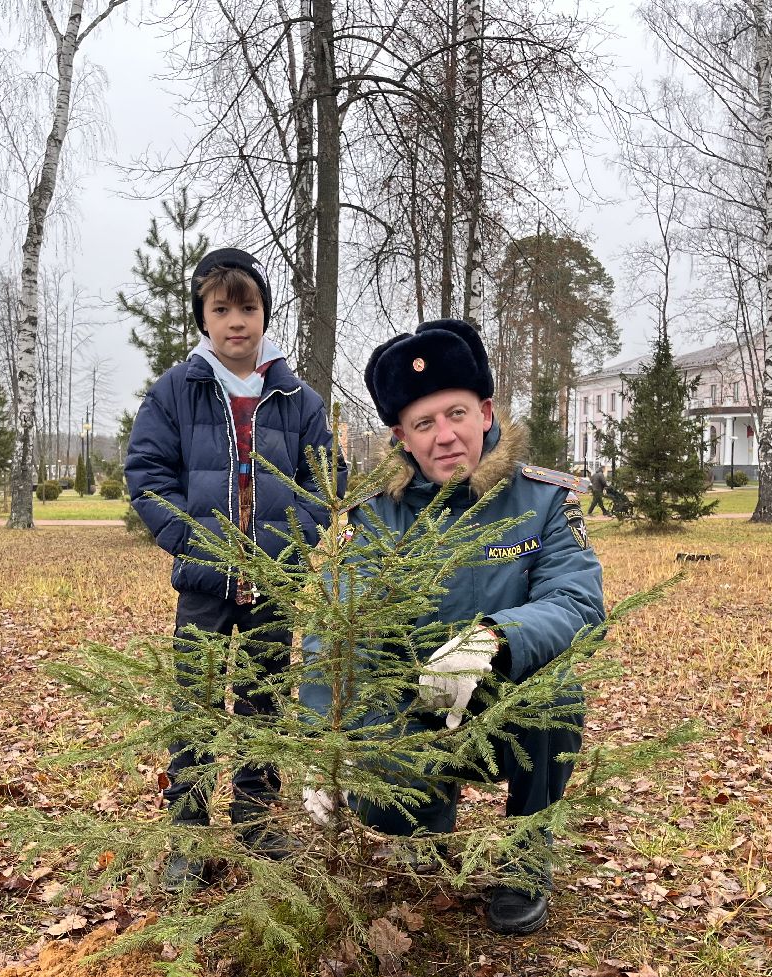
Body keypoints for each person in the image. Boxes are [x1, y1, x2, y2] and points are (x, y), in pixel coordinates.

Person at [304, 319, 606, 935]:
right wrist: (321, 742)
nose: (445, 436)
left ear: (487, 412)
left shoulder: (543, 502)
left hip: (503, 700)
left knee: (558, 698)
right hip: (413, 706)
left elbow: (577, 601)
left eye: (457, 414)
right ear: (401, 438)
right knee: (384, 807)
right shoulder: (376, 518)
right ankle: (424, 827)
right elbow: (338, 629)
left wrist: (495, 638)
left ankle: (525, 859)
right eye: (424, 424)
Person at [125, 247, 340, 891]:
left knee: (263, 700)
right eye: (221, 309)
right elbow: (147, 474)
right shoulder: (177, 390)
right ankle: (187, 832)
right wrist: (190, 544)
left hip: (274, 584)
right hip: (204, 584)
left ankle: (255, 819)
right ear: (203, 317)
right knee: (194, 704)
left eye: (247, 307)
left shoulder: (296, 396)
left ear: (265, 313)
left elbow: (322, 476)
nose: (235, 321)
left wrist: (290, 546)